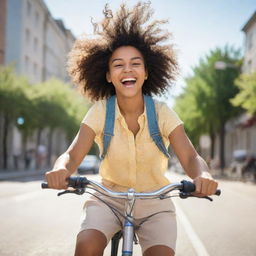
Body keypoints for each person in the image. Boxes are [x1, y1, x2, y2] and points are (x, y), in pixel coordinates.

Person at [45, 2, 218, 256]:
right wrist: (61, 169)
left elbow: (191, 156)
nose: (127, 69)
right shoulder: (100, 111)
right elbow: (72, 154)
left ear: (146, 73)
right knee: (86, 246)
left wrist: (202, 176)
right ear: (107, 75)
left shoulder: (162, 113)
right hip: (108, 199)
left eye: (135, 63)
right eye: (118, 64)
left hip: (155, 205)